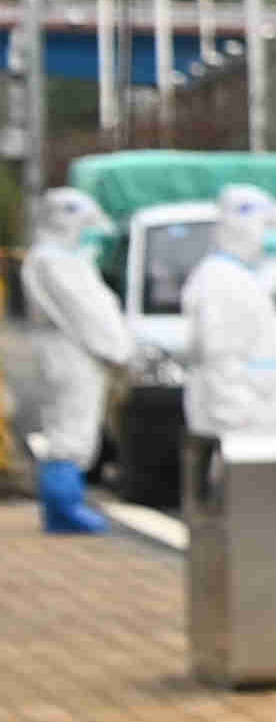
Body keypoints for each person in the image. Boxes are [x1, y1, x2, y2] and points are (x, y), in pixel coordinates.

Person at [16, 185, 133, 532]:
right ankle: (65, 508)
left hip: (66, 353)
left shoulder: (56, 259)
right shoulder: (56, 262)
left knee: (66, 425)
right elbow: (88, 314)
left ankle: (62, 507)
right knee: (72, 427)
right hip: (73, 355)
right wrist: (120, 352)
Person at [181, 181, 276, 443]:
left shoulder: (241, 277)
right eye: (268, 227)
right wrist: (235, 423)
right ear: (246, 229)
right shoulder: (219, 279)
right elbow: (219, 359)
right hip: (237, 425)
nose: (275, 237)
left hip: (255, 424)